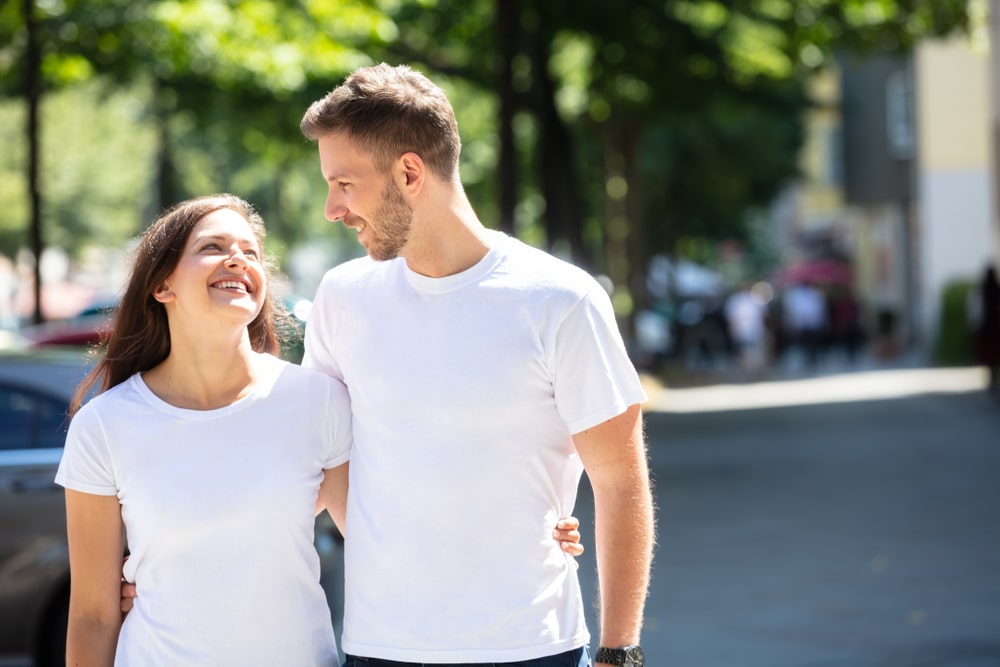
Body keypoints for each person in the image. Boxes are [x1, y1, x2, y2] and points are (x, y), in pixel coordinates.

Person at [85, 195, 583, 666]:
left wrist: (530, 529)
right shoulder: (105, 425)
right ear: (161, 284)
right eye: (212, 248)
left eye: (251, 252)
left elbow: (386, 527)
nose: (237, 260)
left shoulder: (316, 402)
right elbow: (92, 614)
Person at [298, 63, 655, 667]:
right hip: (379, 648)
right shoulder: (342, 297)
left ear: (409, 172)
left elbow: (620, 484)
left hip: (532, 647)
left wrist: (620, 654)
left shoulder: (561, 300)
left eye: (345, 184)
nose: (332, 208)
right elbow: (312, 459)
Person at [974, 264, 1000, 392]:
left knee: (990, 356)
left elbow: (977, 310)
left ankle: (992, 380)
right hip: (995, 327)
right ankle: (994, 379)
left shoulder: (983, 290)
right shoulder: (996, 290)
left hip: (987, 327)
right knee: (995, 355)